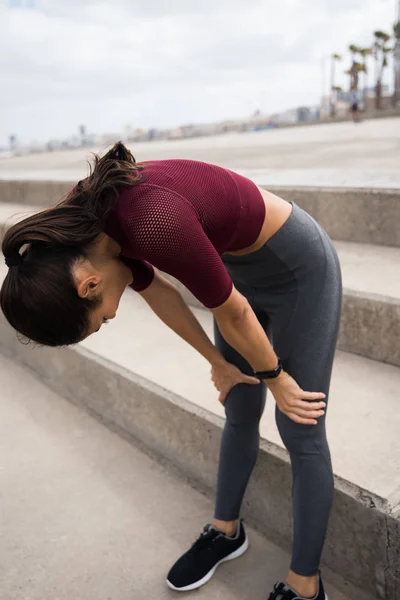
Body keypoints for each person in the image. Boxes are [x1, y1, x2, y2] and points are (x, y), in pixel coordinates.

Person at [0, 142, 342, 600]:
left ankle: (306, 587)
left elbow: (234, 313)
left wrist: (277, 378)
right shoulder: (82, 239)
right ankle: (226, 531)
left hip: (298, 270)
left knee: (299, 423)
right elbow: (160, 293)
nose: (111, 318)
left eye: (101, 319)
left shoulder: (150, 221)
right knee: (240, 400)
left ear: (89, 284)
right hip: (238, 274)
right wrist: (218, 363)